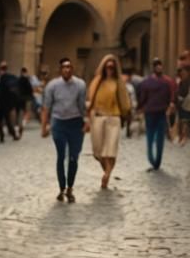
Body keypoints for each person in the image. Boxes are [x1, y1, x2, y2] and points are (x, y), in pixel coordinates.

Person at [41, 56, 87, 203]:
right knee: (61, 156)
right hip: (59, 124)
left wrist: (87, 121)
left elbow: (82, 106)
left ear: (72, 69)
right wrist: (44, 126)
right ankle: (61, 187)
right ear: (60, 69)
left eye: (69, 67)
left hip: (75, 123)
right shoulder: (52, 86)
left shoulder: (80, 84)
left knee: (74, 157)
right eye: (64, 67)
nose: (67, 69)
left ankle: (70, 188)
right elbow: (46, 107)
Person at [85, 53, 130, 189]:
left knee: (110, 151)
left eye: (112, 67)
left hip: (113, 118)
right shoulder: (97, 81)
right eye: (107, 66)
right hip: (98, 118)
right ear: (103, 67)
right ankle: (107, 170)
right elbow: (90, 100)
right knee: (98, 152)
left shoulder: (118, 82)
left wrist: (125, 114)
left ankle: (107, 175)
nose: (110, 69)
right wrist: (88, 118)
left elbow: (124, 102)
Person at [138, 57, 176, 170]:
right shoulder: (147, 82)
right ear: (153, 67)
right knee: (150, 137)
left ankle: (157, 162)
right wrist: (141, 107)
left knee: (160, 138)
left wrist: (171, 104)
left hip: (161, 113)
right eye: (156, 65)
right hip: (150, 113)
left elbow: (172, 95)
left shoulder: (168, 81)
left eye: (160, 65)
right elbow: (143, 97)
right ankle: (151, 158)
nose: (158, 67)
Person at [0, 61, 20, 142]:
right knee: (7, 119)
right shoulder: (11, 77)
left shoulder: (1, 77)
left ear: (0, 68)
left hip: (1, 102)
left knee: (0, 120)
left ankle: (2, 137)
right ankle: (13, 134)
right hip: (8, 103)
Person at [17, 68, 35, 134]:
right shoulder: (27, 80)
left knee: (21, 111)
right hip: (27, 98)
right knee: (28, 112)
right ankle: (23, 124)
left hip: (19, 98)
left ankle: (20, 124)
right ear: (26, 72)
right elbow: (30, 89)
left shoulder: (18, 80)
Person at [176, 64, 190, 146]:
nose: (182, 73)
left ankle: (184, 137)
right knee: (183, 121)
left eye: (184, 72)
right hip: (183, 104)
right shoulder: (182, 81)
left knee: (185, 121)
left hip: (186, 104)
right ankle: (182, 137)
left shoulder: (186, 81)